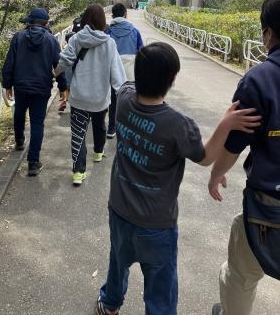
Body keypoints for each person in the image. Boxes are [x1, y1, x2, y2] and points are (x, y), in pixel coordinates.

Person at [96, 42, 261, 315]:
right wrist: (226, 124)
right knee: (160, 289)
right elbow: (206, 157)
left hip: (120, 211)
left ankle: (110, 303)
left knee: (118, 259)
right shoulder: (177, 125)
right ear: (172, 81)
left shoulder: (124, 101)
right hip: (157, 225)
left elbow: (125, 84)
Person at [209, 0, 280, 315]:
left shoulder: (260, 80)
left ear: (267, 33)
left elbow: (233, 146)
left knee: (239, 276)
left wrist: (216, 173)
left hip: (268, 210)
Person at [54, 3, 126, 186]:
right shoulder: (109, 43)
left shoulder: (76, 39)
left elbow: (65, 61)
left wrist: (54, 74)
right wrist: (125, 93)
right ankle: (98, 152)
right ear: (103, 21)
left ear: (85, 18)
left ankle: (78, 172)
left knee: (78, 133)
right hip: (100, 97)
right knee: (100, 125)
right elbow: (117, 73)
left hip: (79, 97)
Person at [2, 8, 67, 177]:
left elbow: (10, 62)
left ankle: (19, 141)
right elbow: (58, 66)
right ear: (46, 23)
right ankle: (33, 163)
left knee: (19, 113)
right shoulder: (51, 40)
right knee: (37, 123)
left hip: (21, 85)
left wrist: (7, 84)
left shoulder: (18, 37)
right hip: (41, 87)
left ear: (31, 22)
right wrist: (62, 87)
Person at [106, 3, 143, 138]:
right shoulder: (134, 31)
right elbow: (141, 51)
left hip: (112, 70)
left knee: (113, 100)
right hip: (130, 71)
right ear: (126, 15)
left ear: (112, 15)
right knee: (131, 99)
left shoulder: (108, 32)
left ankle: (111, 128)